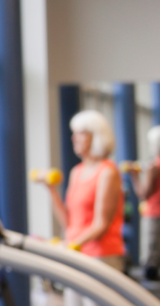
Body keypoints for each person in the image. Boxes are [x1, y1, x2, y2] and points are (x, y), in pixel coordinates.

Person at [44, 110, 124, 306]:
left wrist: (73, 244)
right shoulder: (76, 172)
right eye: (74, 133)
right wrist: (51, 190)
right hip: (77, 254)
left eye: (80, 133)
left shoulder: (107, 172)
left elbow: (101, 224)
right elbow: (69, 223)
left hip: (101, 256)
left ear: (95, 136)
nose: (73, 138)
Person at [129, 126, 160, 280]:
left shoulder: (153, 167)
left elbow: (143, 194)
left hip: (154, 213)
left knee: (151, 254)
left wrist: (133, 176)